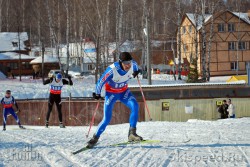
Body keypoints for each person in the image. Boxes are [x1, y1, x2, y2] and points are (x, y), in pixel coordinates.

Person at [87, 52, 142, 148]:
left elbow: (136, 67)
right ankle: (95, 138)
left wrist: (137, 71)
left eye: (129, 62)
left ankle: (132, 133)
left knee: (135, 106)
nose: (128, 65)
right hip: (111, 94)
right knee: (107, 119)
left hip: (124, 92)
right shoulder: (112, 70)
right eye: (126, 63)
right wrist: (97, 93)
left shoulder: (133, 64)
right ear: (120, 62)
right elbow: (101, 81)